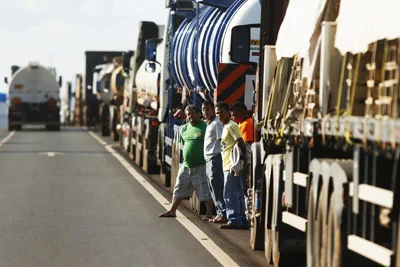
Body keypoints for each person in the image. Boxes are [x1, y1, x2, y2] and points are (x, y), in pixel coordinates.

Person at [159, 105, 214, 219]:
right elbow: (184, 144)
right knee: (179, 187)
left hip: (201, 165)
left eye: (193, 113)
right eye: (188, 114)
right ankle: (172, 210)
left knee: (204, 189)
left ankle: (209, 214)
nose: (190, 116)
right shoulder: (184, 128)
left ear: (199, 113)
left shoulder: (206, 127)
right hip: (186, 165)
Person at [215, 102, 249, 229]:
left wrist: (241, 161)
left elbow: (240, 142)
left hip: (232, 165)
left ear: (228, 111)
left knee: (230, 193)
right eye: (217, 113)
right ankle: (241, 220)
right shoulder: (225, 127)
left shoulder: (231, 126)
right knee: (237, 193)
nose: (219, 115)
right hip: (228, 165)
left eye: (221, 112)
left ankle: (234, 219)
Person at [202, 100, 227, 223]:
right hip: (208, 159)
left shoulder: (217, 124)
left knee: (217, 187)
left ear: (212, 110)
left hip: (215, 158)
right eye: (203, 109)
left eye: (208, 109)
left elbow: (222, 140)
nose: (205, 112)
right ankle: (218, 212)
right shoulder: (209, 124)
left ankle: (222, 213)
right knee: (212, 188)